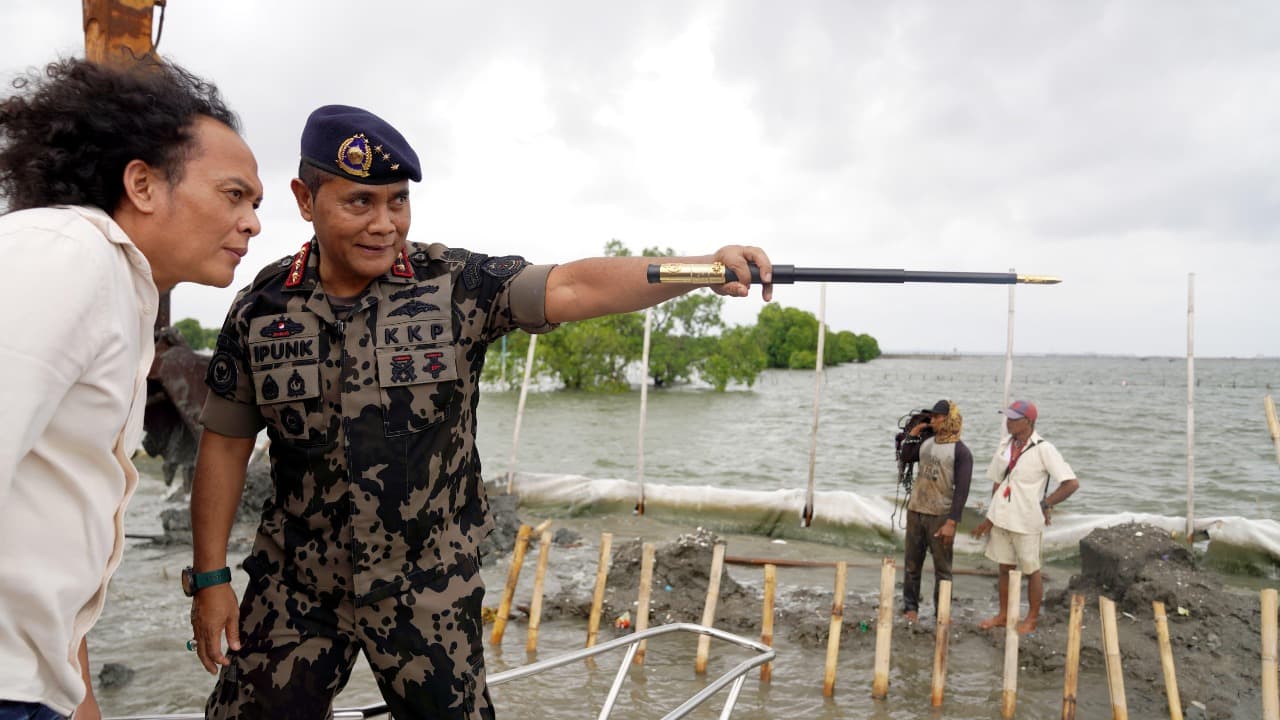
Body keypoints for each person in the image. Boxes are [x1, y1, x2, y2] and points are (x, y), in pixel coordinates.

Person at [187, 104, 773, 720]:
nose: (385, 224)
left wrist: (701, 269)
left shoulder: (454, 284)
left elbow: (574, 286)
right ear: (306, 200)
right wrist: (210, 580)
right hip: (295, 590)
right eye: (360, 203)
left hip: (427, 591)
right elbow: (223, 447)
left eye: (397, 202)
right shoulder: (261, 309)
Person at [0, 58, 262, 720]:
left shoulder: (120, 290)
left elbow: (50, 534)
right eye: (234, 195)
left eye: (254, 204)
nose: (252, 222)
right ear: (143, 184)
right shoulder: (65, 254)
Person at [971, 400, 1080, 634]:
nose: (1008, 422)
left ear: (1028, 422)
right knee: (1004, 568)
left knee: (1032, 570)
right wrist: (990, 517)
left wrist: (1047, 503)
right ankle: (1003, 614)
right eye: (1007, 418)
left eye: (1013, 418)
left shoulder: (1044, 449)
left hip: (1027, 520)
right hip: (1002, 518)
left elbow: (1071, 483)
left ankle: (1031, 618)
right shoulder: (1005, 445)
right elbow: (998, 483)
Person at [897, 399, 973, 623]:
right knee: (912, 564)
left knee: (942, 568)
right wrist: (913, 433)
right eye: (932, 417)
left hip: (940, 514)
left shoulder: (961, 451)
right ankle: (911, 608)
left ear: (949, 419)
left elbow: (962, 490)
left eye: (938, 417)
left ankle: (942, 611)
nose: (933, 420)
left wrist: (952, 522)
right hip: (916, 510)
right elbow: (906, 456)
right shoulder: (927, 442)